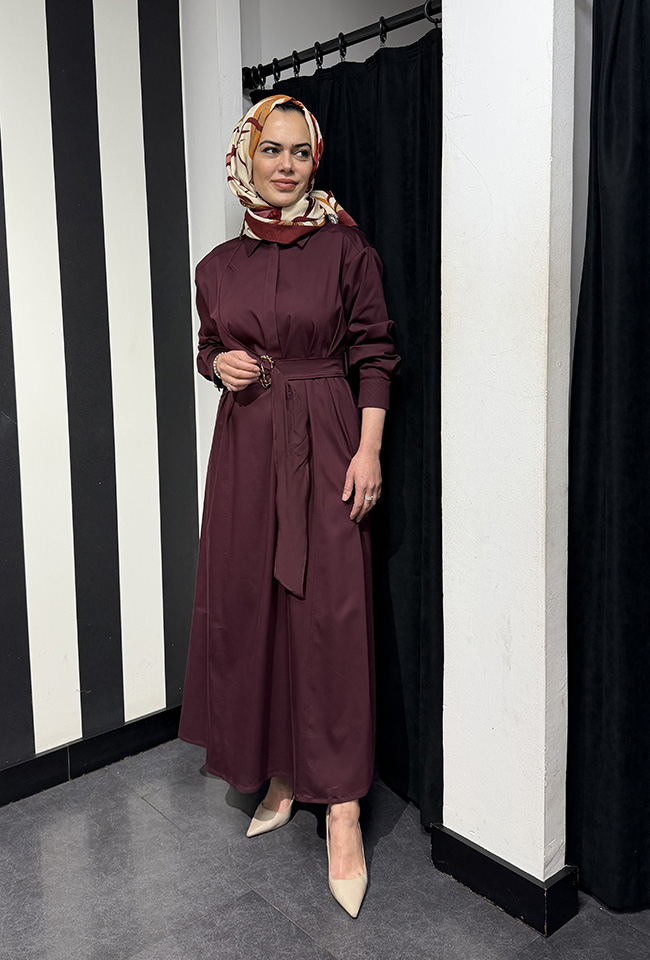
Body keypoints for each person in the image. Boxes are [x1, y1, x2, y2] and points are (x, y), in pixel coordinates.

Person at [178, 94, 400, 918]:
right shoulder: (216, 267)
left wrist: (369, 450)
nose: (285, 165)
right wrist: (219, 365)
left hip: (330, 439)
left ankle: (341, 810)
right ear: (247, 157)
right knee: (255, 610)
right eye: (271, 149)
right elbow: (209, 345)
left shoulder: (346, 250)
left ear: (315, 161)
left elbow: (375, 352)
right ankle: (277, 773)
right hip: (246, 450)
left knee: (331, 619)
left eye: (299, 152)